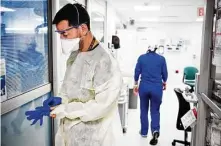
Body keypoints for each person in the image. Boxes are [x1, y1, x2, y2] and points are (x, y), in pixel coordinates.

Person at [50, 3, 123, 146]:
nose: (62, 39)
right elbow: (69, 90)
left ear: (83, 28)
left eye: (65, 33)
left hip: (96, 136)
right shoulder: (74, 56)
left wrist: (65, 109)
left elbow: (101, 106)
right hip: (70, 134)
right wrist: (59, 101)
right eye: (59, 34)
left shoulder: (105, 61)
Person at [133, 45, 168, 145]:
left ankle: (144, 132)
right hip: (157, 88)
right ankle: (155, 131)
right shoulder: (162, 59)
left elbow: (136, 73)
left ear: (147, 49)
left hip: (144, 87)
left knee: (143, 109)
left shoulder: (141, 58)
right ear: (156, 50)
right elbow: (165, 74)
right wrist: (164, 82)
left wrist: (136, 84)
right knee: (155, 111)